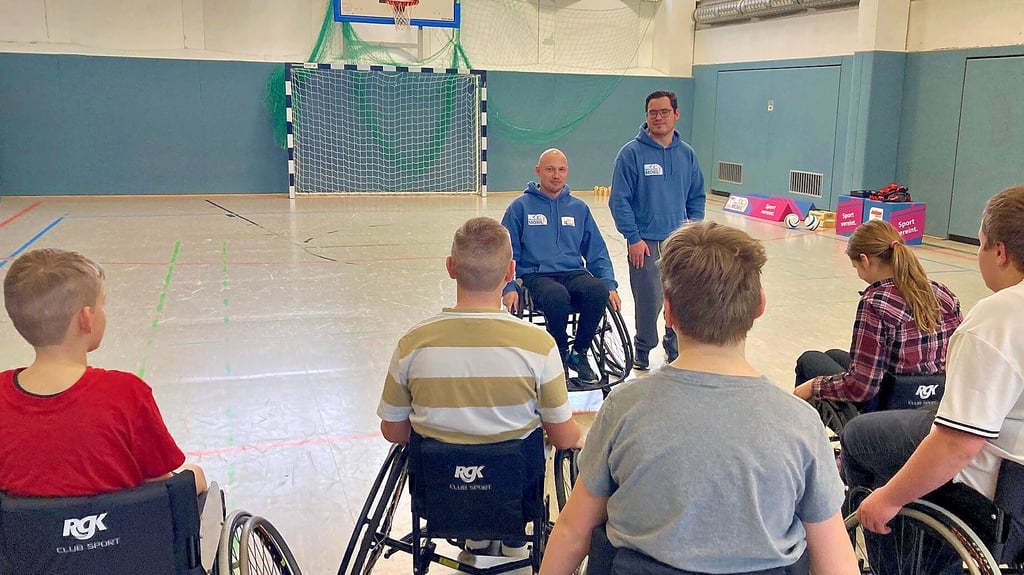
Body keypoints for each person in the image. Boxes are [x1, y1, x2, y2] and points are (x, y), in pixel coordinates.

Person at [540, 222, 857, 575]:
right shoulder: (800, 423)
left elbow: (572, 531)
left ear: (669, 312)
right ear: (759, 306)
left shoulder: (624, 408)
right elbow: (836, 560)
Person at [377, 216, 582, 562]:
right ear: (510, 272)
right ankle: (515, 534)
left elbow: (393, 431)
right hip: (515, 488)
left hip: (441, 494)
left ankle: (473, 534)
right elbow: (563, 438)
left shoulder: (413, 344)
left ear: (450, 268)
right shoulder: (538, 346)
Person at [843, 186, 1024, 572]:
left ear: (1000, 252)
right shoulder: (945, 295)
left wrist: (889, 497)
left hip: (1004, 486)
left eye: (980, 244)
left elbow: (959, 443)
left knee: (859, 435)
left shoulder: (1000, 317)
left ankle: (888, 561)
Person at [0, 248, 207, 498]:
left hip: (29, 536)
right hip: (121, 536)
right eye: (102, 305)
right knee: (195, 476)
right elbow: (161, 489)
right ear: (86, 319)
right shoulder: (126, 394)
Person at [794, 219, 962, 407]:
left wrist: (814, 386)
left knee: (809, 360)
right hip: (935, 394)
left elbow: (862, 387)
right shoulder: (941, 292)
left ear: (865, 260)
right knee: (833, 355)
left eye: (856, 266)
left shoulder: (875, 303)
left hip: (891, 401)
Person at [501, 148, 621, 385]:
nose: (556, 175)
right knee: (557, 296)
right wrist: (509, 286)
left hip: (572, 272)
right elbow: (506, 252)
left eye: (561, 170)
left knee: (596, 290)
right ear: (538, 171)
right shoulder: (520, 207)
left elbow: (597, 251)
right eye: (550, 169)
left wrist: (609, 284)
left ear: (567, 172)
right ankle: (559, 354)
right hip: (537, 275)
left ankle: (579, 353)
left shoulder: (579, 208)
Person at [610, 90, 706, 371]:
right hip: (645, 243)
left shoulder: (687, 155)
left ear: (676, 114)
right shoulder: (630, 154)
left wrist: (692, 229)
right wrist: (634, 237)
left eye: (664, 112)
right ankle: (643, 347)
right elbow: (619, 200)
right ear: (646, 116)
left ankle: (674, 344)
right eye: (653, 112)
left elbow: (696, 196)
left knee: (681, 297)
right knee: (648, 299)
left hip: (680, 242)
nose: (658, 117)